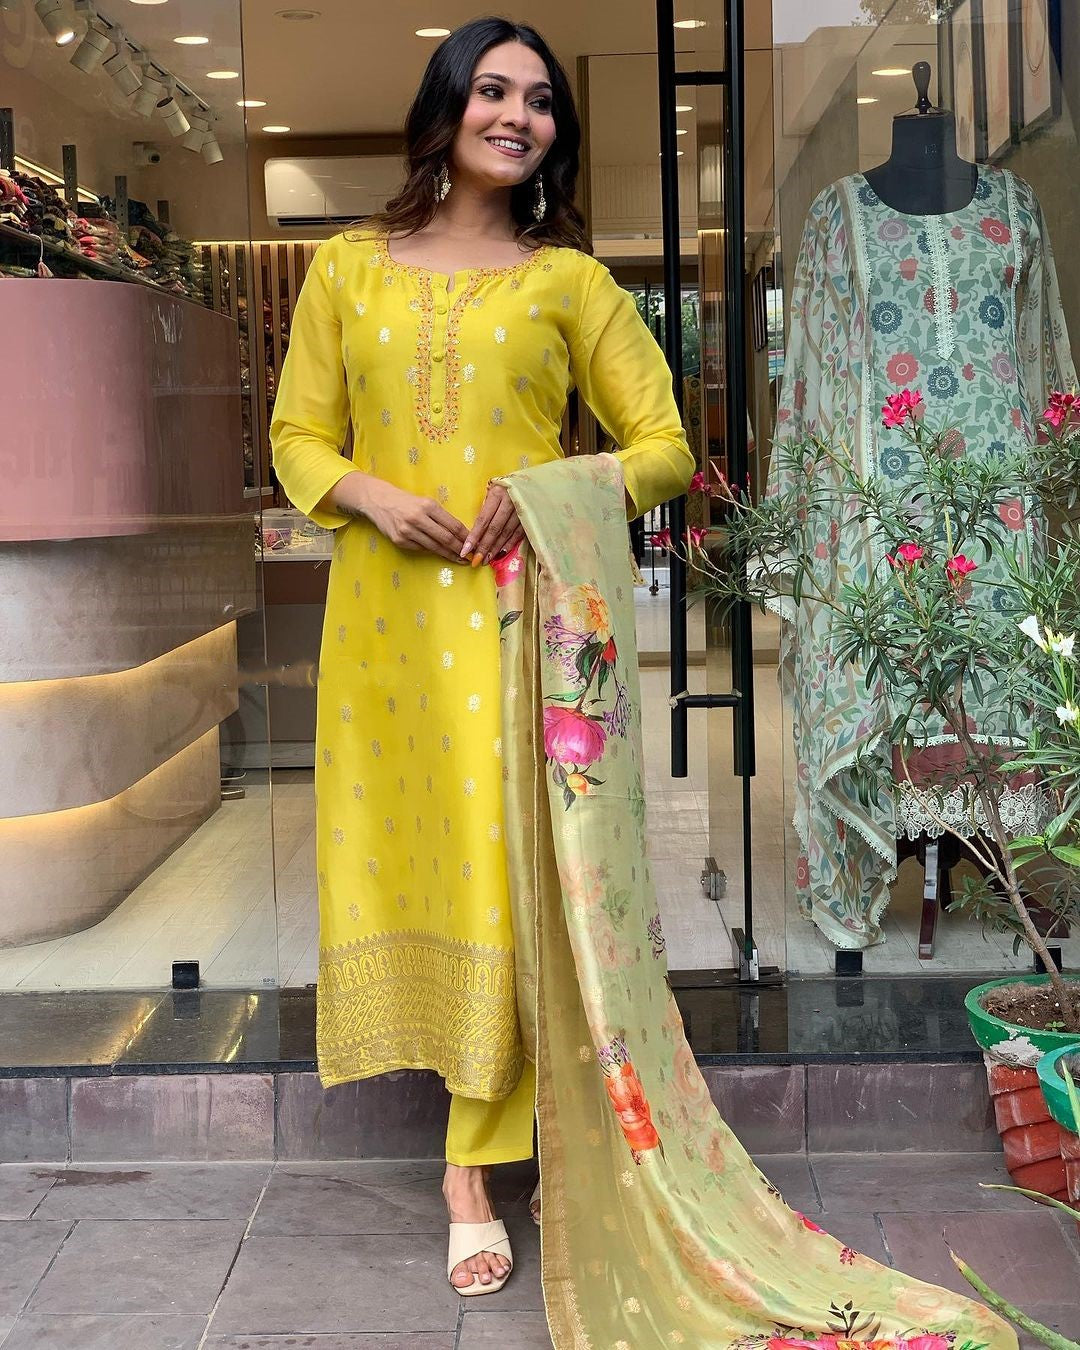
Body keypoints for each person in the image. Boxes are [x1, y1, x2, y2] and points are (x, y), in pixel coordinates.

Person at [270, 15, 695, 1299]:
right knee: (427, 861)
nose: (520, 115)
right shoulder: (346, 269)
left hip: (518, 626)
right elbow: (296, 434)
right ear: (448, 104)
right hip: (387, 631)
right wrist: (367, 493)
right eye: (496, 90)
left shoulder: (568, 282)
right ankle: (477, 1132)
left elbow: (666, 447)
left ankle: (475, 1165)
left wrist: (549, 481)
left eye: (544, 101)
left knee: (511, 876)